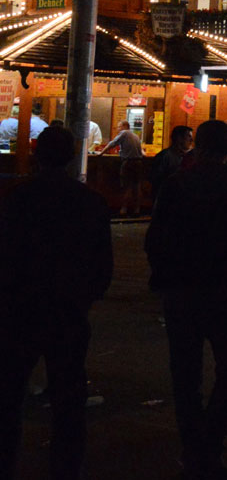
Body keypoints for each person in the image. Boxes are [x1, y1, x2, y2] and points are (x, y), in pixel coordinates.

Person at [145, 120, 227, 479]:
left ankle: (194, 447)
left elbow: (156, 239)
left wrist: (164, 280)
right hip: (224, 292)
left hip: (182, 292)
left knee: (186, 375)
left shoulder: (176, 185)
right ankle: (208, 445)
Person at [1, 126, 112, 480]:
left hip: (21, 308)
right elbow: (102, 265)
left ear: (37, 154)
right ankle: (66, 467)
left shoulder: (18, 199)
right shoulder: (90, 202)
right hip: (68, 310)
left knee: (10, 392)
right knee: (68, 396)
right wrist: (85, 297)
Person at [103, 120, 145, 216]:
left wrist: (101, 153)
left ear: (124, 126)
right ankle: (137, 209)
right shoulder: (136, 136)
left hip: (128, 162)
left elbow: (112, 143)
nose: (118, 129)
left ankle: (124, 209)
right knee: (137, 186)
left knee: (126, 187)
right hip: (138, 162)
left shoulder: (124, 133)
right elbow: (142, 152)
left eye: (119, 127)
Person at [151, 125, 193, 204]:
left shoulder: (191, 156)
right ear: (179, 138)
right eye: (188, 136)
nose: (191, 140)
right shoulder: (165, 156)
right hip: (167, 199)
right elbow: (157, 179)